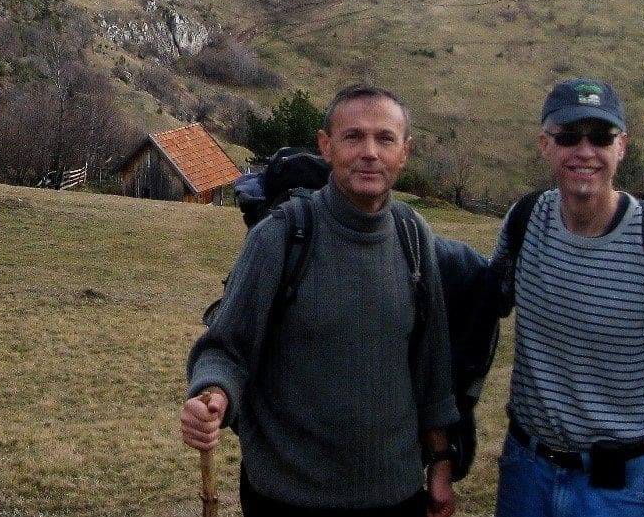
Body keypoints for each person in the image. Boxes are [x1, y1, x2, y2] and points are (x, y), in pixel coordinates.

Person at [182, 84, 459, 517]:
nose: (369, 152)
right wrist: (213, 394)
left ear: (404, 152)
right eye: (353, 137)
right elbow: (225, 349)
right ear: (326, 147)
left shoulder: (413, 234)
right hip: (288, 497)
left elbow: (432, 364)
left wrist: (440, 463)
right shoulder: (280, 236)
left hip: (396, 495)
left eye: (385, 139)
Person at [493, 78, 644, 517]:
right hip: (527, 476)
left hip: (627, 490)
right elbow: (484, 298)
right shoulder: (525, 221)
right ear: (545, 145)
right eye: (568, 136)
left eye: (601, 137)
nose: (584, 151)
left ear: (622, 146)